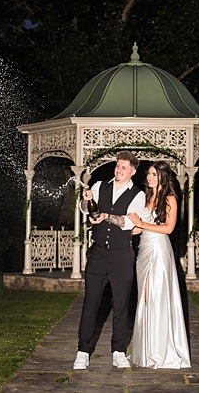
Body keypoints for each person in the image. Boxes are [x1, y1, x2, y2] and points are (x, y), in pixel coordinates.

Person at [73, 150, 146, 370]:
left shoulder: (138, 195)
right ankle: (83, 351)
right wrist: (86, 201)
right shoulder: (99, 186)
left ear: (133, 171)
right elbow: (85, 210)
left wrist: (106, 217)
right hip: (98, 254)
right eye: (117, 165)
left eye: (124, 167)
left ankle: (119, 351)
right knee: (90, 303)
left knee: (121, 305)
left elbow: (129, 223)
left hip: (121, 254)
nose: (118, 170)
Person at [126, 161, 191, 369]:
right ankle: (144, 351)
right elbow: (139, 227)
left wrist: (141, 224)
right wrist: (130, 227)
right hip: (144, 249)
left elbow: (169, 228)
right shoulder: (147, 197)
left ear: (163, 176)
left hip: (159, 249)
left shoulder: (170, 198)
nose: (150, 177)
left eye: (154, 174)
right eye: (149, 174)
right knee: (144, 297)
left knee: (156, 296)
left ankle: (159, 351)